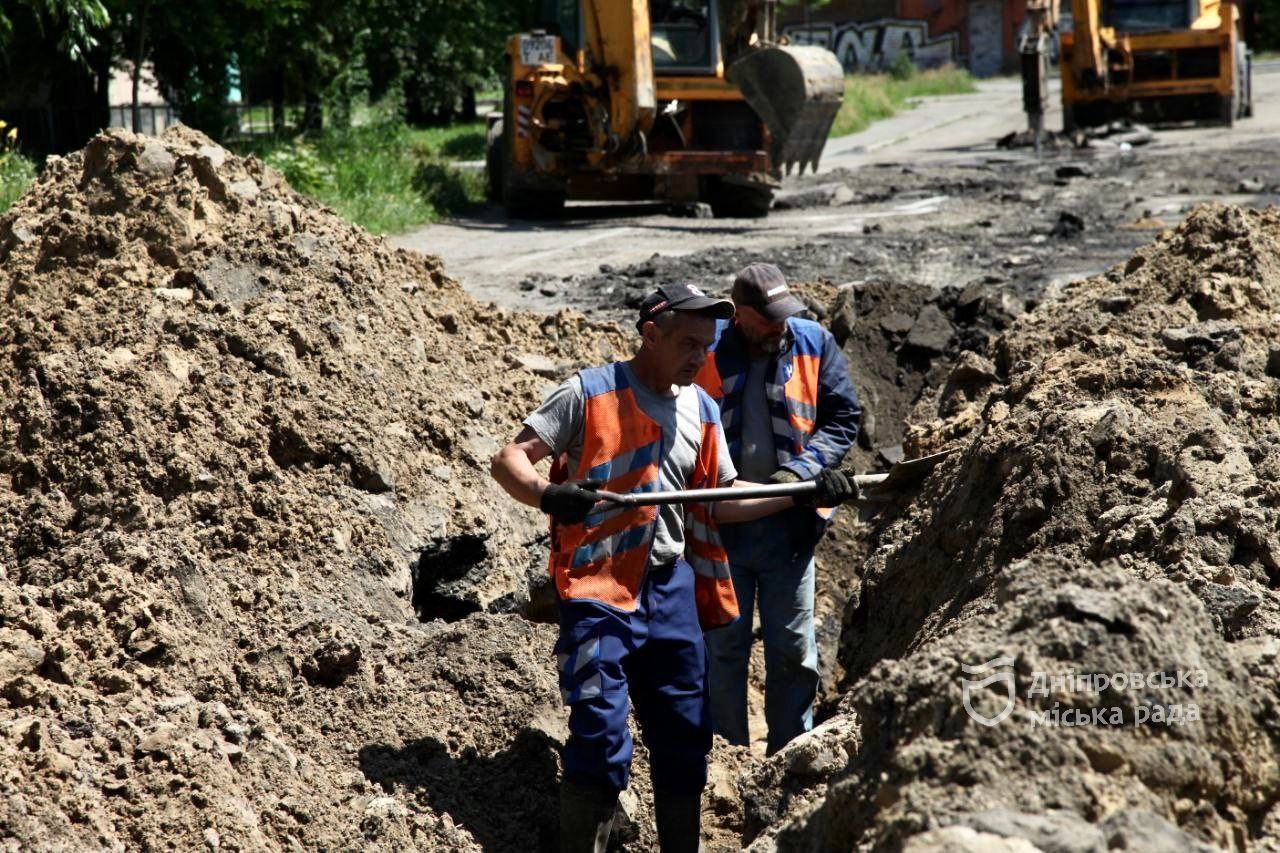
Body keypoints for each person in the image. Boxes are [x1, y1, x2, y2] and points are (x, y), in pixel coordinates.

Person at [491, 283, 857, 853]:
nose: (700, 357)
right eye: (687, 344)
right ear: (650, 334)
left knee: (687, 738)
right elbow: (509, 458)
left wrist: (804, 493)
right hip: (597, 584)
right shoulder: (588, 392)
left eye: (706, 346)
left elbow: (724, 497)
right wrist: (548, 494)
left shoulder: (702, 409)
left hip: (669, 587)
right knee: (600, 732)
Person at [694, 263, 862, 755]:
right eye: (768, 320)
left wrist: (807, 471)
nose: (780, 327)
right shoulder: (706, 347)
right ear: (739, 315)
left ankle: (792, 757)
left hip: (790, 528)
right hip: (720, 527)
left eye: (784, 316)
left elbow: (842, 416)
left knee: (792, 650)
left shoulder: (812, 342)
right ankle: (724, 759)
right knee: (722, 648)